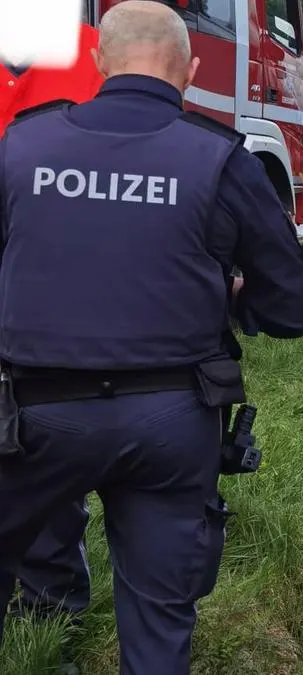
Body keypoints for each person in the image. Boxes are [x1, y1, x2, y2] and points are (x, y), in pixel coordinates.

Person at [0, 3, 303, 674]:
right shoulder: (218, 156)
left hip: (34, 418)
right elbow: (293, 310)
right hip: (173, 422)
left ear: (98, 62)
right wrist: (238, 297)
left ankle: (39, 639)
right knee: (159, 624)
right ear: (191, 69)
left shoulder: (21, 146)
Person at [0, 14, 105, 645]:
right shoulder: (91, 49)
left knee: (34, 433)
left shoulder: (88, 48)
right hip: (51, 272)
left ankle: (48, 617)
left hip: (38, 263)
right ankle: (49, 612)